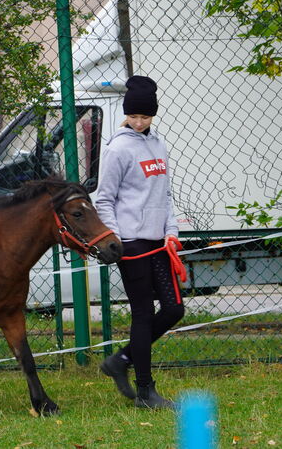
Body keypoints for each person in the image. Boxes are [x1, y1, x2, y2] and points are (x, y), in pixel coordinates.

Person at [94, 75, 185, 409]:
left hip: (160, 242)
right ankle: (146, 391)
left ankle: (121, 359)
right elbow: (104, 200)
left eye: (145, 117)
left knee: (175, 309)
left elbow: (166, 194)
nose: (139, 122)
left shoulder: (158, 145)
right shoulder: (117, 148)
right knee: (143, 314)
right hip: (131, 243)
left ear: (153, 116)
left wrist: (172, 231)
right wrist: (117, 239)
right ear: (126, 114)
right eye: (134, 116)